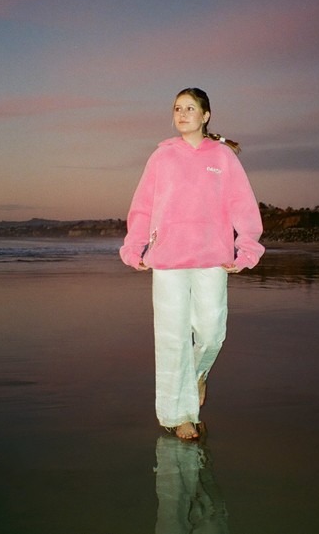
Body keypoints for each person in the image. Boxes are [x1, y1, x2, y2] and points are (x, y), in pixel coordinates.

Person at [120, 87, 264, 440]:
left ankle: (198, 374)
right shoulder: (162, 156)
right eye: (177, 109)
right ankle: (179, 415)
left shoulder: (223, 157)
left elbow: (242, 204)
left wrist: (246, 248)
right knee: (172, 338)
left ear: (205, 115)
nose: (182, 114)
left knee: (212, 332)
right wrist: (135, 247)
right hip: (168, 259)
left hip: (212, 257)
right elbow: (143, 205)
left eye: (189, 108)